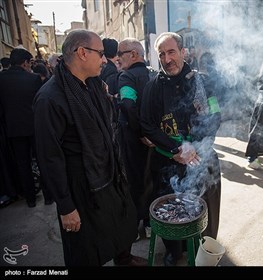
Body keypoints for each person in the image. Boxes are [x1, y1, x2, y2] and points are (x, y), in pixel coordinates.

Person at [33, 29, 147, 266]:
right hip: (81, 184)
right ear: (82, 53)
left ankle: (124, 258)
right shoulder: (50, 98)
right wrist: (66, 206)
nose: (106, 60)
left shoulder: (94, 84)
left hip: (109, 171)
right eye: (101, 54)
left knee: (121, 221)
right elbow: (49, 157)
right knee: (84, 245)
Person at [140, 32, 222, 266]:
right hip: (167, 162)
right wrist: (177, 148)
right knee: (170, 211)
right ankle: (173, 252)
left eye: (171, 52)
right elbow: (147, 124)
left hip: (203, 159)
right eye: (161, 54)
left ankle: (205, 250)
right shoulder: (152, 87)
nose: (167, 59)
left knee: (206, 211)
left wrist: (195, 147)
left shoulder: (204, 82)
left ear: (183, 52)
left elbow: (215, 115)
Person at [116, 37, 153, 239]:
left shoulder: (126, 77)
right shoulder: (153, 76)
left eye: (121, 54)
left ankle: (135, 226)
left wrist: (139, 134)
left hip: (132, 136)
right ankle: (149, 223)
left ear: (133, 54)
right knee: (149, 179)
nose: (117, 58)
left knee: (133, 180)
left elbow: (128, 105)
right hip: (152, 138)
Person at [0, 48, 43, 208]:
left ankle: (30, 199)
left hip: (13, 129)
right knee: (41, 160)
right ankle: (49, 196)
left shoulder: (1, 79)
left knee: (22, 164)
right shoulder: (33, 79)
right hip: (34, 127)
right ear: (25, 63)